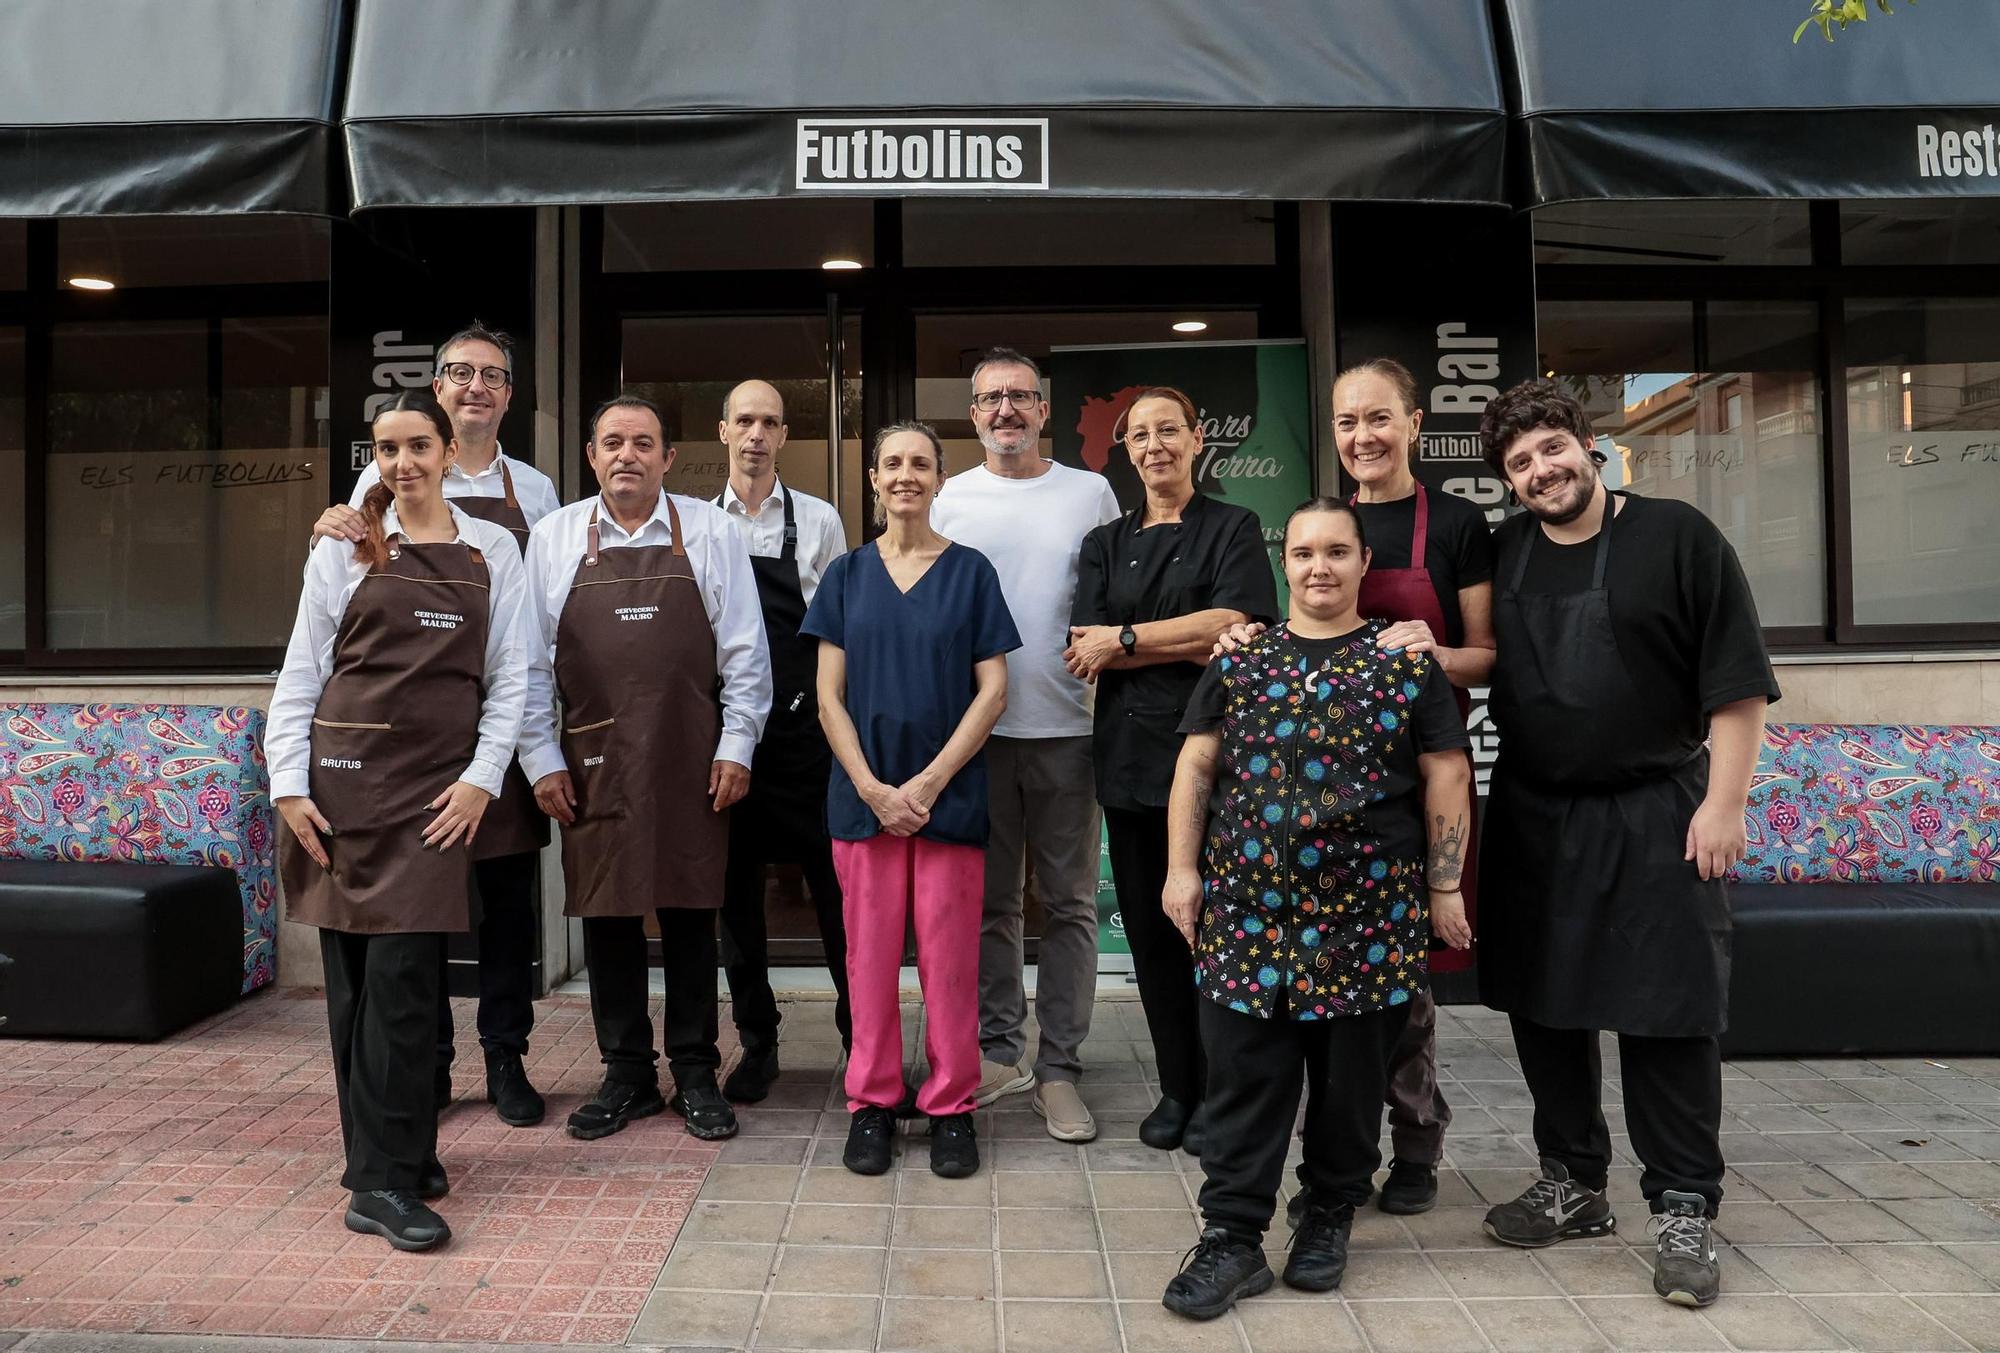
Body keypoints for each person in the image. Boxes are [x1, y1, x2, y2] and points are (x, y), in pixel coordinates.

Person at [1474, 379, 1778, 1309]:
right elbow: (1481, 661)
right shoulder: (1508, 551)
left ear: (1589, 445)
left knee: (1668, 1010)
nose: (1540, 471)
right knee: (1545, 1006)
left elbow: (1737, 686)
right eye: (1520, 462)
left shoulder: (1678, 537)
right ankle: (1573, 1178)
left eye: (1552, 448)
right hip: (1532, 813)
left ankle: (1683, 1201)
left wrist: (1724, 804)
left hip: (1660, 808)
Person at [1157, 499, 1473, 1319]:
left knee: (1348, 1086)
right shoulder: (1240, 659)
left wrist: (1444, 886)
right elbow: (1196, 768)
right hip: (1246, 917)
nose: (1319, 566)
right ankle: (1231, 1237)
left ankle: (1329, 1213)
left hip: (1366, 920)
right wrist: (1180, 870)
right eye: (1303, 552)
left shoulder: (1405, 663)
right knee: (1243, 1082)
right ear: (1284, 563)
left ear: (1365, 562)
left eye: (1337, 551)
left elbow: (1444, 771)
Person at [1223, 358, 1495, 1217]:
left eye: (1379, 418)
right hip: (1317, 782)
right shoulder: (1320, 518)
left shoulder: (1455, 523)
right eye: (1346, 423)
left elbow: (1488, 655)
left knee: (1400, 984)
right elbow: (1294, 623)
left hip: (1422, 774)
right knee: (1315, 993)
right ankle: (1331, 1153)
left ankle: (1414, 1139)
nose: (1362, 437)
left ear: (1415, 422)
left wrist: (1426, 652)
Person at [269, 390, 530, 1251]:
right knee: (356, 990)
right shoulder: (342, 547)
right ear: (373, 456)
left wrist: (482, 780)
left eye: (420, 444)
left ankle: (393, 1161)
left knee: (407, 986)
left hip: (431, 796)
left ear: (450, 449)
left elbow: (514, 679)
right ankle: (384, 1174)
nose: (404, 461)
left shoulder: (492, 548)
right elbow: (302, 671)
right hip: (339, 788)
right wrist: (287, 784)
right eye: (388, 448)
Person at [313, 323, 562, 1129]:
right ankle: (430, 1061)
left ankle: (506, 1055)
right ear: (439, 393)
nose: (474, 386)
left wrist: (534, 742)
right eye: (458, 372)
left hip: (501, 732)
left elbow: (537, 627)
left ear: (509, 396)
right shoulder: (376, 483)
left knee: (504, 900)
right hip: (411, 746)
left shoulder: (538, 490)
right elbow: (339, 599)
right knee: (423, 908)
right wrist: (327, 524)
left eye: (491, 375)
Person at [519, 395, 771, 1144]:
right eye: (612, 443)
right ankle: (626, 1071)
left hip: (692, 753)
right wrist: (539, 758)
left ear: (667, 457)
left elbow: (747, 654)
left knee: (694, 910)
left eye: (643, 443)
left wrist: (736, 746)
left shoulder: (714, 531)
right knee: (609, 912)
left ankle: (694, 1070)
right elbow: (529, 665)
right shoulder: (555, 537)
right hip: (590, 759)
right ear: (592, 456)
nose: (627, 455)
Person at [803, 421, 1020, 1179]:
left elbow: (993, 689)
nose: (905, 475)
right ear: (873, 479)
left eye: (920, 463)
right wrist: (871, 785)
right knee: (866, 961)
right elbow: (828, 697)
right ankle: (872, 1101)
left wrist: (927, 783)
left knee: (950, 959)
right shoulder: (846, 575)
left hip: (947, 799)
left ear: (939, 477)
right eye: (892, 463)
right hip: (863, 800)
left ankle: (951, 1104)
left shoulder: (970, 573)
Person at [1068, 387, 1278, 1154]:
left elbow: (1237, 626)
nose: (1155, 445)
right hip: (1127, 764)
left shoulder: (1235, 527)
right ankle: (1178, 1088)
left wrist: (1125, 638)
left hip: (1220, 759)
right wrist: (1168, 639)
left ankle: (1227, 1094)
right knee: (1156, 938)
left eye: (1169, 431)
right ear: (1125, 451)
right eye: (1140, 435)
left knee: (1219, 937)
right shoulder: (1103, 542)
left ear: (1197, 440)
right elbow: (1082, 644)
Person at [929, 348, 1121, 1143]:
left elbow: (1117, 597)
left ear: (1044, 408)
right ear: (972, 415)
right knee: (993, 904)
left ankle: (1062, 1067)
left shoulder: (1091, 491)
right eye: (989, 399)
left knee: (1071, 904)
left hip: (1071, 728)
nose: (1005, 410)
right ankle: (999, 1050)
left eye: (1019, 397)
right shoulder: (950, 498)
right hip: (979, 734)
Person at [712, 379, 853, 1100]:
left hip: (806, 741)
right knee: (737, 902)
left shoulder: (821, 520)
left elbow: (840, 633)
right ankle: (758, 1042)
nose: (757, 434)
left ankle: (861, 1042)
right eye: (745, 420)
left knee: (835, 894)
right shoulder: (697, 524)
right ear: (724, 431)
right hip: (731, 745)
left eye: (769, 421)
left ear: (784, 436)